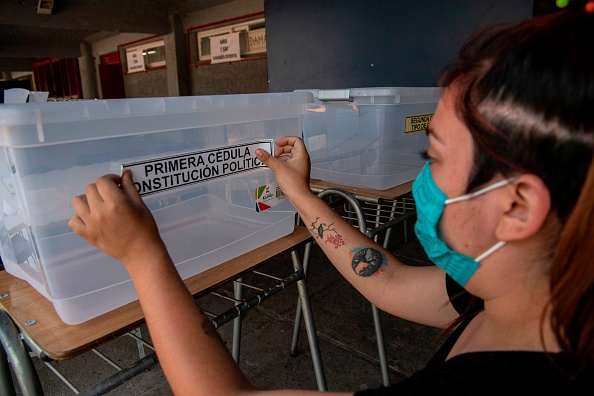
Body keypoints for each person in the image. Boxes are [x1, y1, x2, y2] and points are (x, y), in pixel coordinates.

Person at [69, 7, 594, 395]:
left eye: (431, 155)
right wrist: (299, 191)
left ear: (519, 206)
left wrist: (142, 255)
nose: (423, 178)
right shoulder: (524, 293)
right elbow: (386, 280)